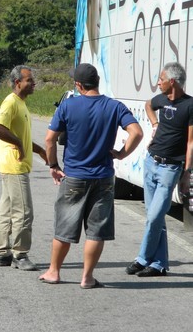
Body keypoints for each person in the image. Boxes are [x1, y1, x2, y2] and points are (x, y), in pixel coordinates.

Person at [41, 63, 143, 288]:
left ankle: (53, 271)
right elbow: (137, 132)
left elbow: (49, 139)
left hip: (75, 176)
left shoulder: (68, 106)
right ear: (97, 81)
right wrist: (121, 154)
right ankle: (87, 277)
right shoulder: (114, 106)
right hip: (104, 177)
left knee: (64, 227)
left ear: (78, 85)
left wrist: (53, 165)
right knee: (96, 231)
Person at [125, 62, 193, 277]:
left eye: (160, 79)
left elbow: (191, 143)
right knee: (155, 217)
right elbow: (147, 105)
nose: (158, 83)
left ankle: (142, 258)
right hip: (151, 162)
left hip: (170, 168)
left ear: (171, 81)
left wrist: (187, 173)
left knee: (154, 217)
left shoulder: (190, 105)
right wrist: (154, 124)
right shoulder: (161, 100)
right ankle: (159, 264)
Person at [0, 65, 47, 271]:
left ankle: (2, 253)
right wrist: (18, 144)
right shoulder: (11, 102)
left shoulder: (21, 104)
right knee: (24, 211)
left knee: (6, 210)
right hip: (14, 166)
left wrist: (39, 150)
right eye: (29, 80)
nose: (33, 83)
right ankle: (20, 254)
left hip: (11, 165)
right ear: (18, 83)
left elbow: (22, 137)